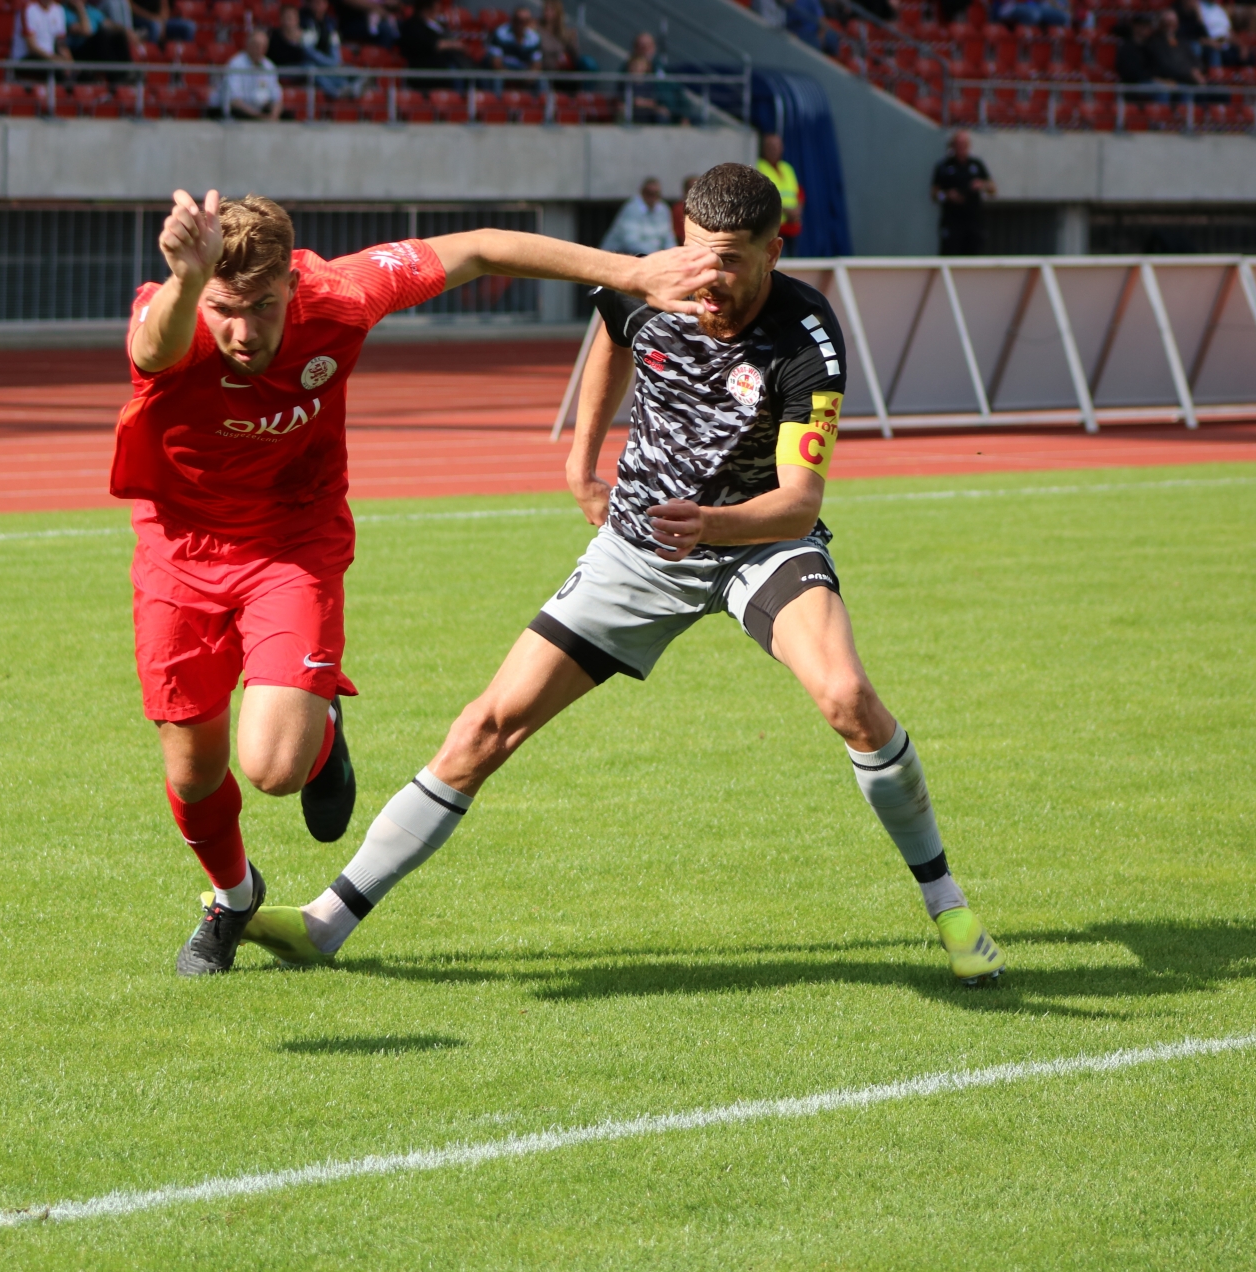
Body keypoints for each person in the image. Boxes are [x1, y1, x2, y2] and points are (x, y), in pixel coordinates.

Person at [243, 163, 1008, 989]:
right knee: (484, 727)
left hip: (757, 545)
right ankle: (327, 922)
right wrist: (582, 460)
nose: (707, 277)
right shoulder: (651, 285)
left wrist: (712, 525)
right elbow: (613, 332)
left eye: (731, 261)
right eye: (697, 252)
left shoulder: (806, 335)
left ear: (773, 252)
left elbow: (798, 504)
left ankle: (949, 907)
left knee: (849, 699)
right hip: (639, 550)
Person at [118, 189, 719, 976]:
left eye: (262, 307)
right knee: (194, 774)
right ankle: (233, 900)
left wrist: (631, 273)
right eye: (225, 309)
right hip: (179, 550)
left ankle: (319, 723)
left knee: (273, 768)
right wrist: (188, 283)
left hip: (294, 542)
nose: (243, 331)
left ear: (292, 285)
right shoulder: (174, 309)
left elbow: (481, 247)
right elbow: (154, 351)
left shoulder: (341, 295)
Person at [930, 129, 994, 256]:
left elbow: (992, 188)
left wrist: (982, 185)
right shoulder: (944, 166)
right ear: (952, 146)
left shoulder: (976, 164)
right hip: (952, 222)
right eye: (958, 144)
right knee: (950, 254)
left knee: (973, 256)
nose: (961, 148)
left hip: (973, 221)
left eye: (964, 144)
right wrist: (947, 195)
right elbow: (934, 194)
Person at [602, 176, 677, 255]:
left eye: (656, 194)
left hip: (648, 256)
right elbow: (631, 243)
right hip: (616, 255)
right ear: (642, 192)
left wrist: (673, 254)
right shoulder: (631, 209)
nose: (652, 197)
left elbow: (668, 238)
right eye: (649, 193)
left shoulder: (663, 209)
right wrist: (657, 254)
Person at [221, 27, 282, 118]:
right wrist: (258, 116)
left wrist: (273, 115)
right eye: (256, 46)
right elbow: (234, 101)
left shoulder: (269, 66)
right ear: (248, 45)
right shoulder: (236, 64)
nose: (260, 50)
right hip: (241, 112)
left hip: (261, 112)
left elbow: (277, 98)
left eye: (263, 47)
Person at [756, 133, 802, 243]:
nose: (774, 150)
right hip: (773, 228)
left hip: (792, 227)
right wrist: (785, 210)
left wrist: (797, 210)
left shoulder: (787, 168)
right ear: (763, 149)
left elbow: (798, 193)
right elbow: (760, 198)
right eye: (771, 147)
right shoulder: (759, 167)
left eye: (777, 146)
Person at [486, 6, 542, 73]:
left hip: (524, 72)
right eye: (518, 20)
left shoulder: (534, 38)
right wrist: (509, 76)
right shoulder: (501, 33)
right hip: (503, 71)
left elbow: (536, 64)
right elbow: (495, 62)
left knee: (542, 78)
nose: (521, 23)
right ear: (512, 19)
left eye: (525, 21)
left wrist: (528, 76)